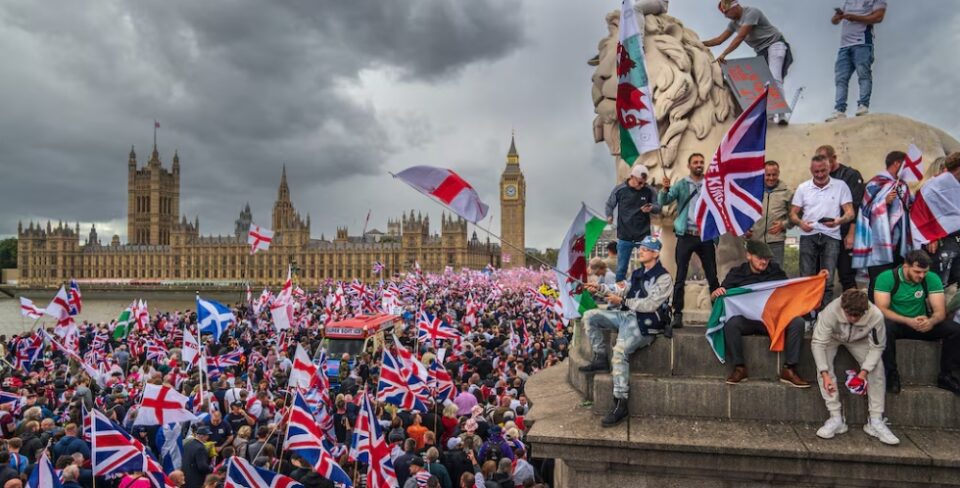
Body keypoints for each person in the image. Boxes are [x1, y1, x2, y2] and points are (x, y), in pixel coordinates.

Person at [579, 236, 673, 426]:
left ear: (655, 253)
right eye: (641, 248)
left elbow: (650, 304)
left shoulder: (664, 278)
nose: (641, 251)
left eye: (645, 249)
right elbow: (621, 287)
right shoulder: (637, 273)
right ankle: (600, 358)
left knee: (620, 352)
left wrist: (622, 301)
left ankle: (620, 402)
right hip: (626, 316)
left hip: (645, 324)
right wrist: (600, 287)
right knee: (590, 316)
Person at [718, 240, 810, 387]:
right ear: (749, 256)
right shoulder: (737, 273)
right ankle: (739, 368)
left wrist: (814, 282)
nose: (764, 262)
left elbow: (789, 291)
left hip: (771, 320)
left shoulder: (776, 271)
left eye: (767, 258)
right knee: (731, 324)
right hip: (747, 320)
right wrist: (716, 293)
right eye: (760, 258)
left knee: (797, 322)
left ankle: (790, 369)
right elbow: (721, 295)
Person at [812, 289, 899, 445]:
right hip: (833, 337)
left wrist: (863, 372)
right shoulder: (831, 311)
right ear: (843, 308)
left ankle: (875, 420)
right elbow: (818, 343)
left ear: (864, 311)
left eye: (857, 315)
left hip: (860, 339)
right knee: (822, 366)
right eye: (849, 314)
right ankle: (836, 418)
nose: (852, 318)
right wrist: (825, 374)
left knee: (877, 368)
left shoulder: (876, 315)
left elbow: (878, 347)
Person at [877, 250, 960, 395]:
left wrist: (931, 321)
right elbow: (881, 309)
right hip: (898, 323)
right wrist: (907, 320)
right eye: (917, 272)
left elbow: (940, 311)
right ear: (906, 266)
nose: (921, 276)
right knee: (883, 327)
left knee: (955, 329)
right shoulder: (887, 277)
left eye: (924, 272)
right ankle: (891, 376)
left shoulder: (931, 278)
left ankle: (947, 376)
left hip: (922, 323)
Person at [703, 0, 792, 125]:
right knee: (762, 83)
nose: (726, 16)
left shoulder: (751, 13)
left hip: (775, 45)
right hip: (761, 51)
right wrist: (697, 43)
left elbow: (740, 37)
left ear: (735, 7)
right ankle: (770, 116)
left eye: (727, 13)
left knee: (775, 78)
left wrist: (724, 54)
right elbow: (719, 40)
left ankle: (782, 115)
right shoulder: (733, 24)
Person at [659, 153, 720, 333]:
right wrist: (664, 189)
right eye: (695, 162)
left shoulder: (710, 184)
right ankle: (677, 314)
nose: (699, 164)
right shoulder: (682, 184)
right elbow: (664, 201)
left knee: (712, 276)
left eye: (701, 162)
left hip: (705, 235)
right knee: (680, 276)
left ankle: (719, 313)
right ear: (689, 165)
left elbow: (720, 204)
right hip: (686, 234)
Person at [790, 155, 855, 313]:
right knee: (806, 277)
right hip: (808, 235)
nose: (819, 175)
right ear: (811, 170)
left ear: (829, 168)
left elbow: (850, 213)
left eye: (823, 171)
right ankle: (807, 313)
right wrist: (800, 223)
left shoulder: (840, 186)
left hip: (831, 235)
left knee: (828, 279)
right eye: (816, 171)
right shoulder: (803, 187)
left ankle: (825, 314)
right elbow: (792, 214)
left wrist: (838, 221)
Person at [852, 150, 911, 300]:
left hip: (899, 242)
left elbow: (908, 207)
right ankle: (875, 310)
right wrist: (884, 202)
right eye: (905, 165)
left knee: (897, 280)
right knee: (879, 281)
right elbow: (865, 210)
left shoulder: (902, 185)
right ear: (897, 163)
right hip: (879, 243)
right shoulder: (875, 183)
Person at [827, 0, 887, 121]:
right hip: (844, 46)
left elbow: (878, 17)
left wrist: (855, 18)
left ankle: (863, 105)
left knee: (863, 74)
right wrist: (837, 17)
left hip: (862, 43)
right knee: (840, 78)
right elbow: (834, 21)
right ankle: (839, 110)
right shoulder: (848, 2)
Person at [818, 145, 865, 293]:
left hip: (844, 233)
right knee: (823, 275)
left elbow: (856, 206)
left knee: (846, 275)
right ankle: (821, 307)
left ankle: (853, 304)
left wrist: (851, 233)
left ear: (834, 158)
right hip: (825, 233)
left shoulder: (851, 175)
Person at [605, 164, 661, 281]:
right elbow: (610, 204)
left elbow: (658, 207)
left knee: (647, 266)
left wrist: (651, 208)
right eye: (640, 182)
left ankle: (646, 289)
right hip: (625, 236)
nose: (642, 185)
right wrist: (609, 215)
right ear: (632, 177)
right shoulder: (620, 189)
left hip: (643, 236)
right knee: (621, 269)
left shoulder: (649, 190)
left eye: (644, 183)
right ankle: (620, 290)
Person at [745, 160, 794, 266]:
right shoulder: (752, 192)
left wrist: (784, 224)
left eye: (774, 175)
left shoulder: (787, 193)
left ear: (778, 174)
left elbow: (796, 216)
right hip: (755, 241)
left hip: (776, 242)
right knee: (755, 273)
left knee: (775, 273)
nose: (771, 178)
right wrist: (745, 228)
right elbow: (744, 213)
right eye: (768, 175)